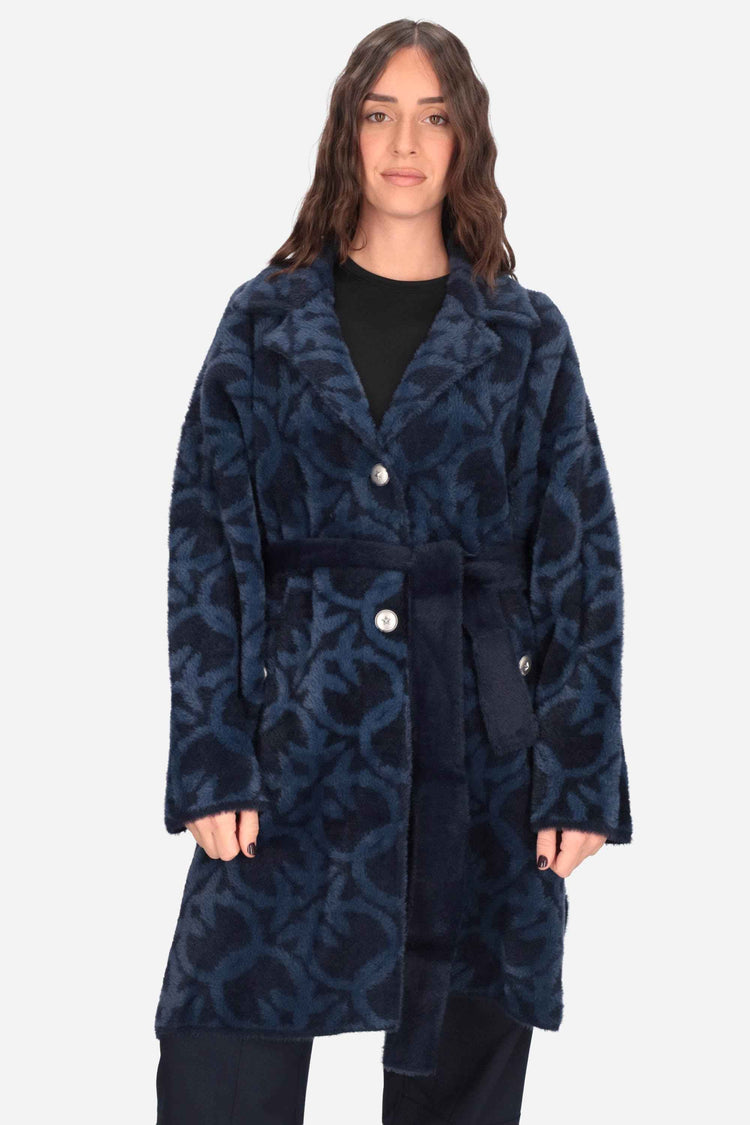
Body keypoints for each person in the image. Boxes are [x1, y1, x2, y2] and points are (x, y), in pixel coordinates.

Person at [154, 18, 633, 1125]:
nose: (405, 143)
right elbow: (206, 543)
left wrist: (577, 772)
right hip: (296, 738)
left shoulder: (526, 336)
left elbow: (582, 556)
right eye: (380, 115)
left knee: (459, 1072)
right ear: (347, 135)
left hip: (478, 758)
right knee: (220, 1061)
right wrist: (212, 754)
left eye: (433, 116)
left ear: (467, 141)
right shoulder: (265, 322)